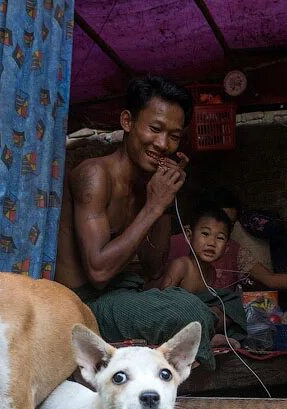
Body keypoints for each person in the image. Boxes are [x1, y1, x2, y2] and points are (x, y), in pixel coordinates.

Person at [55, 75, 226, 369]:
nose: (163, 144)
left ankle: (203, 338)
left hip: (127, 294)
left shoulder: (147, 185)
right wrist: (154, 205)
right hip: (86, 306)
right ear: (127, 122)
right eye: (155, 129)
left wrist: (165, 201)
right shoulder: (95, 176)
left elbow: (153, 267)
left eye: (174, 136)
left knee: (220, 305)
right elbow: (98, 272)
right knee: (189, 313)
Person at [168, 187, 287, 291]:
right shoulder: (176, 247)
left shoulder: (234, 251)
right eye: (206, 232)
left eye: (229, 224)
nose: (213, 240)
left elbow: (271, 279)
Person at [156, 206, 247, 349]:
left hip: (198, 319)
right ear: (189, 235)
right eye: (205, 234)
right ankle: (205, 336)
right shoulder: (181, 265)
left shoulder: (211, 272)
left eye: (220, 238)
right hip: (175, 319)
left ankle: (206, 334)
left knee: (231, 304)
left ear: (227, 247)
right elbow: (162, 302)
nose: (211, 243)